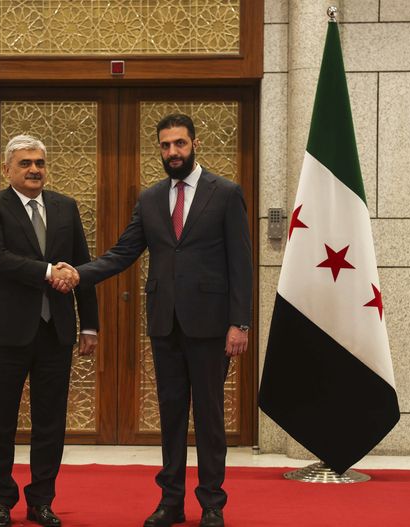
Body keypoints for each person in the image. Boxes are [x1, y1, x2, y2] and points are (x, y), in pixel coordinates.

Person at [54, 114, 252, 527]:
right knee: (172, 413)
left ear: (195, 144)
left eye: (179, 144)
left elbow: (241, 263)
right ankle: (172, 502)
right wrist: (78, 273)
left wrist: (241, 323)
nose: (172, 153)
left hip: (212, 326)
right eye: (165, 146)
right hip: (165, 325)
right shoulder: (150, 199)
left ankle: (212, 503)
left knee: (211, 418)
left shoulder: (226, 193)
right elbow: (122, 253)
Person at [0, 134, 99, 527]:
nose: (34, 170)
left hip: (54, 332)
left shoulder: (65, 207)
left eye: (39, 163)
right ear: (7, 169)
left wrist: (90, 324)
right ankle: (1, 500)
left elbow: (81, 266)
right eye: (25, 163)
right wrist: (48, 272)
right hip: (5, 333)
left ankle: (42, 499)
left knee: (50, 422)